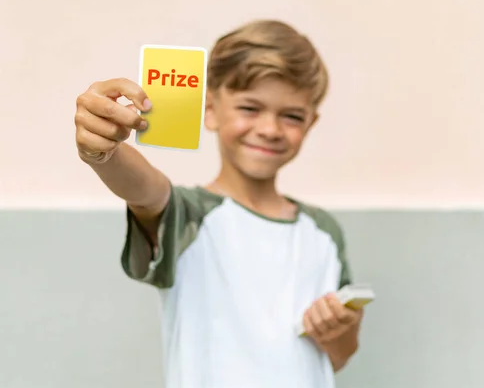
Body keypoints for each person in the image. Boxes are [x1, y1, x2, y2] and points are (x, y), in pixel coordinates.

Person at [73, 19, 363, 388]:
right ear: (209, 109)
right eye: (250, 108)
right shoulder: (188, 214)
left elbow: (339, 354)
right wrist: (104, 154)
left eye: (291, 116)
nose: (270, 129)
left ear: (310, 123)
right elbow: (147, 190)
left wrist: (337, 332)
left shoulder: (324, 232)